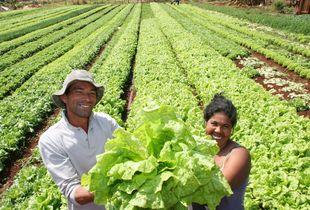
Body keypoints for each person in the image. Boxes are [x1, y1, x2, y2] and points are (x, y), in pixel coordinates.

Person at [39, 70, 120, 210]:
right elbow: (75, 193)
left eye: (91, 93)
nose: (87, 98)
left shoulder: (107, 122)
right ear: (65, 97)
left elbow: (132, 149)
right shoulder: (51, 140)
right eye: (79, 92)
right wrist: (119, 184)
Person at [189, 93, 251, 210]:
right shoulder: (197, 147)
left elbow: (217, 187)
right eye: (214, 124)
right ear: (206, 123)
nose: (218, 130)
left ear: (231, 129)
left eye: (225, 126)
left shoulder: (239, 154)